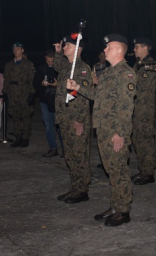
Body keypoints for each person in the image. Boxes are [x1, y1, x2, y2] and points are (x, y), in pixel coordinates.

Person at [67, 34, 135, 226]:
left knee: (119, 170)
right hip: (104, 129)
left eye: (109, 48)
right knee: (111, 170)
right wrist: (78, 87)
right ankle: (115, 205)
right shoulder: (108, 73)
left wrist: (120, 132)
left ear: (119, 50)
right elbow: (98, 95)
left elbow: (126, 105)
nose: (105, 50)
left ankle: (123, 210)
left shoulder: (126, 74)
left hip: (115, 131)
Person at [54, 34, 93, 204]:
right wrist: (57, 53)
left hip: (76, 119)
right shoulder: (67, 67)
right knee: (70, 155)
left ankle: (82, 190)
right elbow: (56, 65)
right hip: (65, 119)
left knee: (79, 155)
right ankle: (75, 187)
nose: (64, 48)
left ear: (77, 49)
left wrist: (80, 120)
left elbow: (83, 96)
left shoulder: (82, 69)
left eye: (67, 46)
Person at [131, 37, 156, 185]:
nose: (134, 49)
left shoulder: (149, 65)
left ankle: (148, 172)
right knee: (138, 139)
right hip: (137, 108)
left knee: (145, 140)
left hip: (144, 109)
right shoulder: (139, 64)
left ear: (145, 48)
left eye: (137, 47)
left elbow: (141, 87)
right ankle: (143, 169)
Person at [2, 42, 35, 148]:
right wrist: (5, 93)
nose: (15, 50)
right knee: (15, 117)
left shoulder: (28, 64)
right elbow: (6, 80)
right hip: (12, 93)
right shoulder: (8, 65)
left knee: (26, 117)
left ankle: (25, 138)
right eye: (14, 49)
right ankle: (18, 137)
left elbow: (32, 80)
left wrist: (32, 94)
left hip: (24, 93)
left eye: (18, 48)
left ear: (22, 50)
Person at [33, 49, 63, 157]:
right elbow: (34, 84)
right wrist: (41, 84)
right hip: (44, 101)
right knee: (48, 126)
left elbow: (68, 85)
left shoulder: (61, 69)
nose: (50, 63)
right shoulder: (41, 68)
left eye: (52, 61)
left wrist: (58, 85)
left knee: (59, 126)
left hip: (57, 101)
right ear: (45, 58)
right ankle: (53, 148)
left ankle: (65, 150)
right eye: (48, 61)